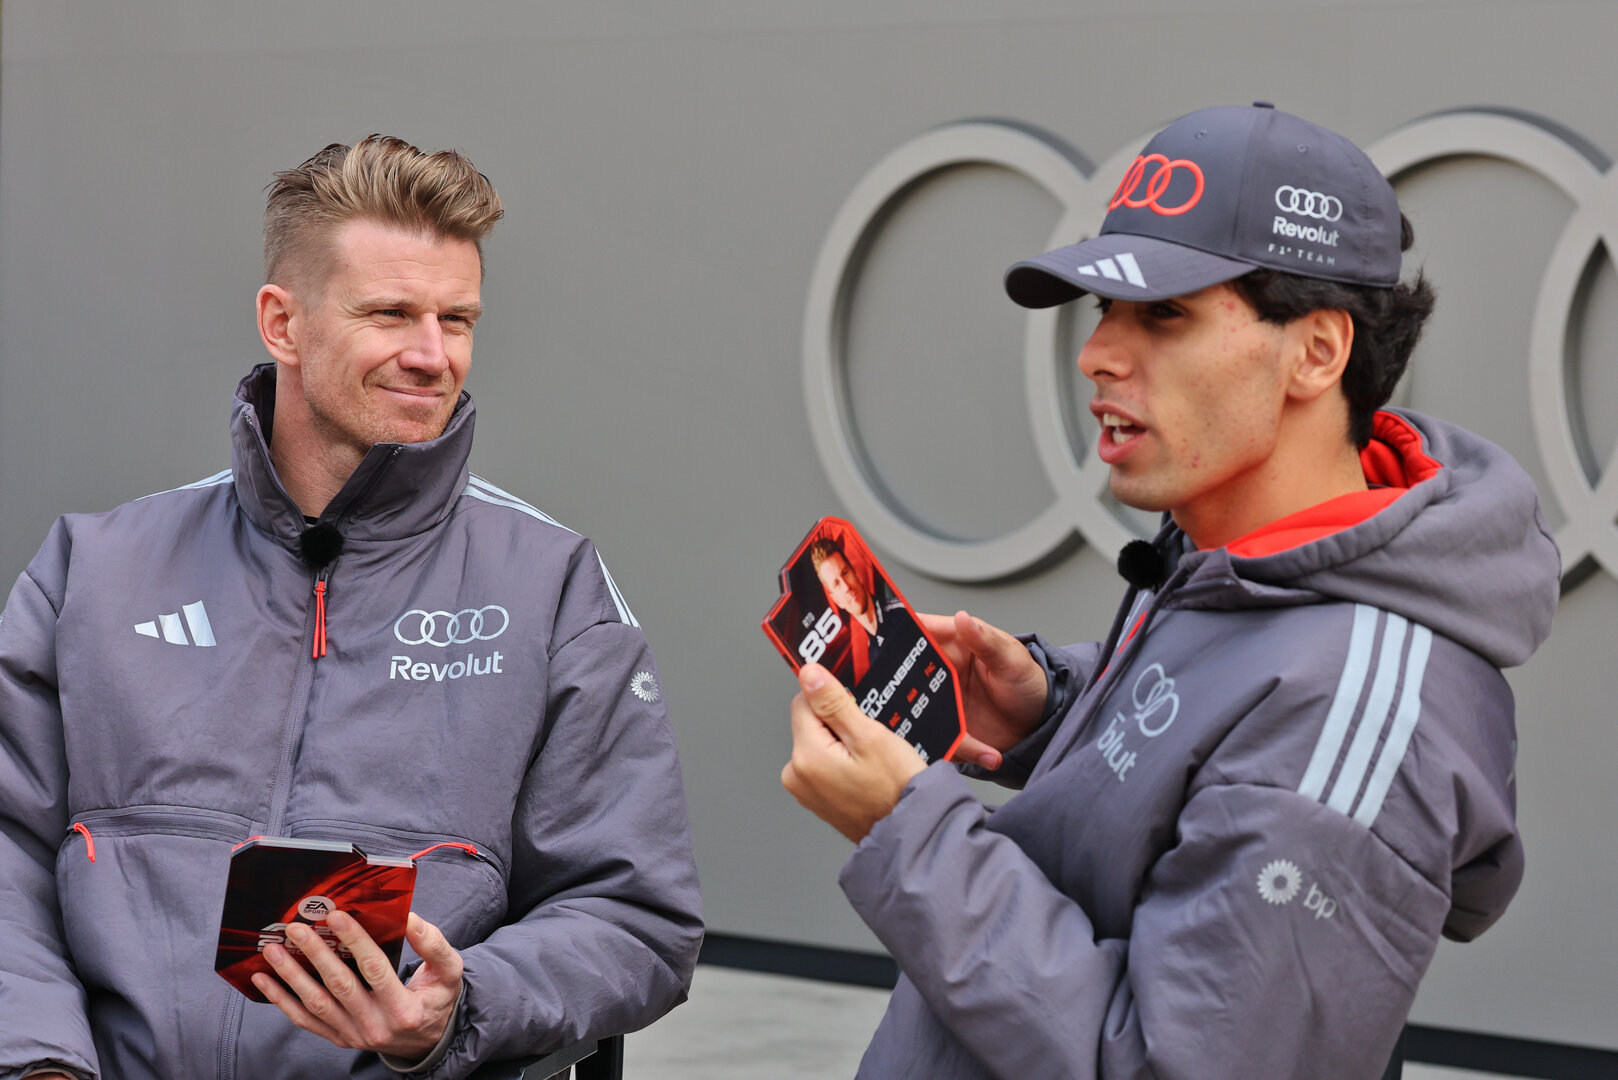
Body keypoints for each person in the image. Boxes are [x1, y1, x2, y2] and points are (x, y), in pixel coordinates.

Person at [780, 103, 1560, 1079]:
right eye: (1104, 309)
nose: (1096, 355)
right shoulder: (1248, 560)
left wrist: (910, 834)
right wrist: (1050, 704)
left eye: (1163, 315)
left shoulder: (1356, 710)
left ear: (1317, 352)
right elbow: (1230, 724)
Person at [0, 135, 702, 1080]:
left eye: (457, 320)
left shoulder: (554, 588)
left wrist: (457, 1009)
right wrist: (40, 1062)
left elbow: (635, 916)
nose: (432, 355)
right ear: (282, 324)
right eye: (390, 314)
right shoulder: (95, 569)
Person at [809, 534, 908, 684]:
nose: (846, 587)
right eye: (837, 584)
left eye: (845, 573)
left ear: (854, 572)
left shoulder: (902, 611)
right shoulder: (872, 656)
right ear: (837, 601)